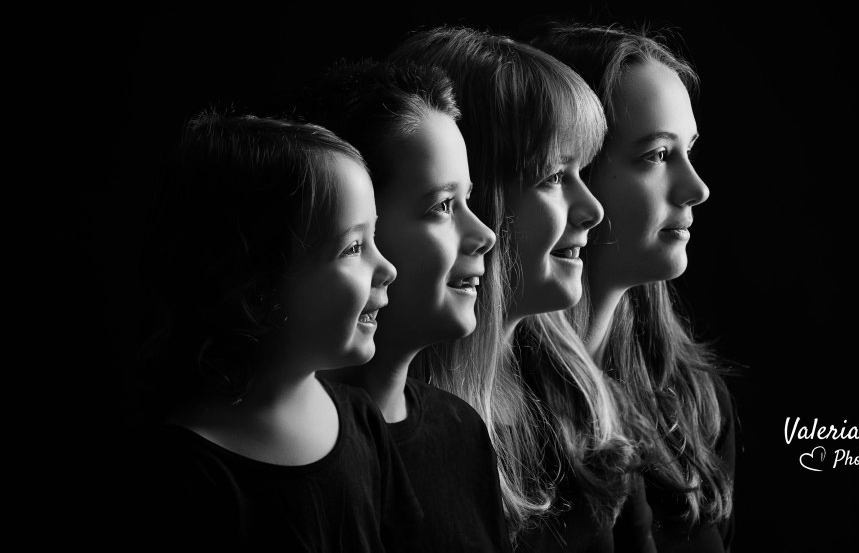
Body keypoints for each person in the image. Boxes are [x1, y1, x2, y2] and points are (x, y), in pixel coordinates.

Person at [390, 28, 648, 552]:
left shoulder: (581, 396)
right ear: (479, 193)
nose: (592, 209)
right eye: (554, 177)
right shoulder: (390, 430)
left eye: (582, 171)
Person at [126, 110, 421, 552]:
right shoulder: (184, 476)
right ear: (259, 287)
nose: (387, 268)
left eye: (374, 239)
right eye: (354, 247)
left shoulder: (363, 421)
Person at [529, 23, 736, 552]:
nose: (697, 188)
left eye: (689, 150)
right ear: (573, 169)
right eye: (657, 156)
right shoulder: (508, 418)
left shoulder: (690, 398)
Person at [296, 60, 511, 552]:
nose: (485, 234)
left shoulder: (461, 432)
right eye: (442, 206)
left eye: (469, 200)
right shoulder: (281, 464)